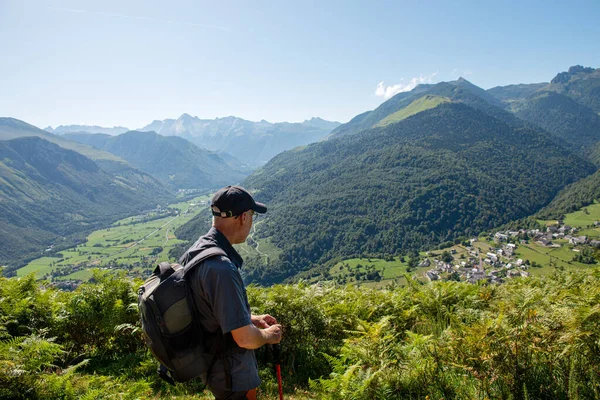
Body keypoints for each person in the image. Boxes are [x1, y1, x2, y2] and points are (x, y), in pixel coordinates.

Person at [179, 185, 282, 400]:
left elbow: (209, 308)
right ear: (244, 217)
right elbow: (245, 339)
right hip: (232, 372)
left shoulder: (198, 250)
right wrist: (269, 336)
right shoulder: (221, 268)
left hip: (214, 365)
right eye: (252, 215)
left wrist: (250, 319)